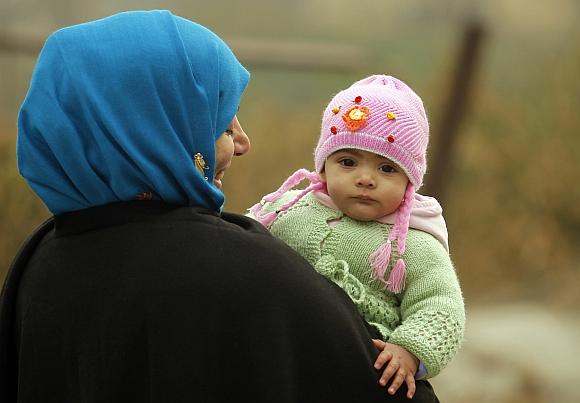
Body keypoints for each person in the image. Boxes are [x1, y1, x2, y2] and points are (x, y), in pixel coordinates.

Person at [0, 10, 441, 403]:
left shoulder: (36, 267)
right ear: (158, 129)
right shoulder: (245, 269)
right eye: (222, 122)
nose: (244, 142)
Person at [249, 75, 465, 398]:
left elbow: (442, 306)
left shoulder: (414, 244)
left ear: (411, 180)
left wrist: (408, 351)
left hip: (357, 376)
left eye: (387, 169)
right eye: (348, 162)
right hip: (281, 362)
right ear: (323, 168)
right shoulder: (286, 211)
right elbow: (242, 247)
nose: (365, 179)